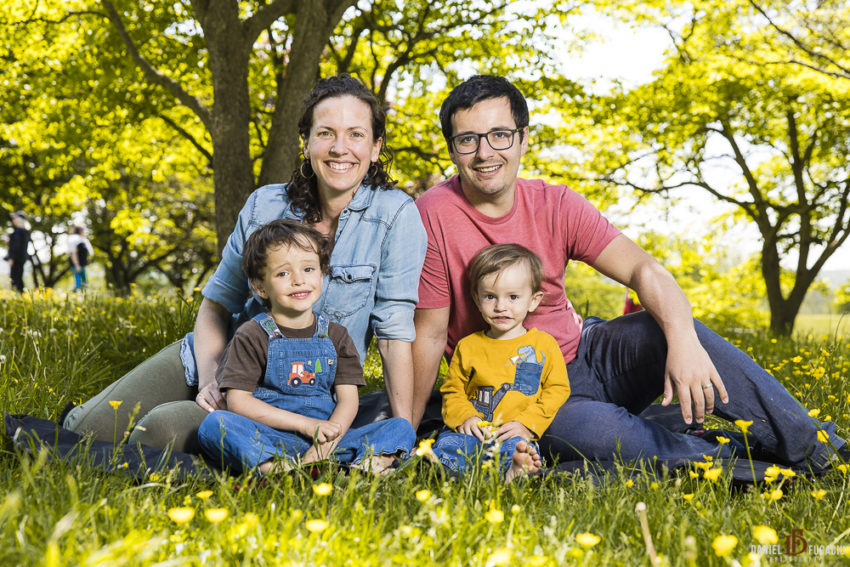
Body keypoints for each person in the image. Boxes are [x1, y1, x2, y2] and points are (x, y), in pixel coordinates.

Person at [412, 74, 844, 470]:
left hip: (590, 353)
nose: (485, 152)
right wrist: (404, 432)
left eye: (500, 135)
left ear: (524, 139)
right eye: (468, 140)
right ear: (452, 149)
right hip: (528, 396)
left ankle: (818, 452)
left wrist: (684, 341)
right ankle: (737, 460)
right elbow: (430, 334)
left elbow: (644, 269)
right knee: (596, 436)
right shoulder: (432, 215)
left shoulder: (556, 203)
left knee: (667, 327)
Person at [64, 73, 427, 454]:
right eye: (325, 133)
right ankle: (108, 414)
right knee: (86, 432)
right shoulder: (264, 205)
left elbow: (393, 335)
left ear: (375, 146)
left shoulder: (396, 215)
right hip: (213, 360)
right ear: (306, 143)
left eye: (356, 134)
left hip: (292, 397)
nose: (340, 148)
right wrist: (212, 381)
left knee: (155, 435)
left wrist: (402, 441)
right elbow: (217, 305)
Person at [198, 220, 415, 474]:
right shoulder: (252, 335)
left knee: (401, 426)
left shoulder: (336, 336)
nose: (299, 280)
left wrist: (324, 445)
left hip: (329, 440)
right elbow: (238, 403)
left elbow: (348, 402)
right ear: (259, 286)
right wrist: (306, 425)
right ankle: (277, 469)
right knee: (216, 424)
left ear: (322, 273)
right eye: (282, 273)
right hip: (270, 437)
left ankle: (362, 468)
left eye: (309, 269)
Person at [429, 244, 568, 482]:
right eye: (490, 297)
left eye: (513, 297)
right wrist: (465, 418)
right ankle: (452, 471)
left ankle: (513, 470)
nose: (501, 306)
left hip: (513, 431)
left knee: (516, 447)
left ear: (533, 301)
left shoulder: (543, 345)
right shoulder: (468, 346)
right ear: (477, 298)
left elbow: (557, 389)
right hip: (473, 430)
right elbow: (453, 390)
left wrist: (528, 423)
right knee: (450, 443)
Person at [5, 211, 30, 293]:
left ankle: (17, 296)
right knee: (19, 277)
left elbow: (16, 246)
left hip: (16, 258)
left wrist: (11, 258)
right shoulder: (25, 231)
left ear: (19, 219)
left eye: (15, 218)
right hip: (22, 258)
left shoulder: (18, 231)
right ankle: (20, 295)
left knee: (15, 278)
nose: (13, 220)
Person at [67, 226, 94, 291]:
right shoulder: (75, 239)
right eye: (83, 230)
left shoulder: (81, 239)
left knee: (85, 282)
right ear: (80, 231)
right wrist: (77, 265)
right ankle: (76, 295)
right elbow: (73, 253)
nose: (84, 231)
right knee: (78, 283)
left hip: (81, 264)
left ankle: (82, 295)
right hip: (77, 264)